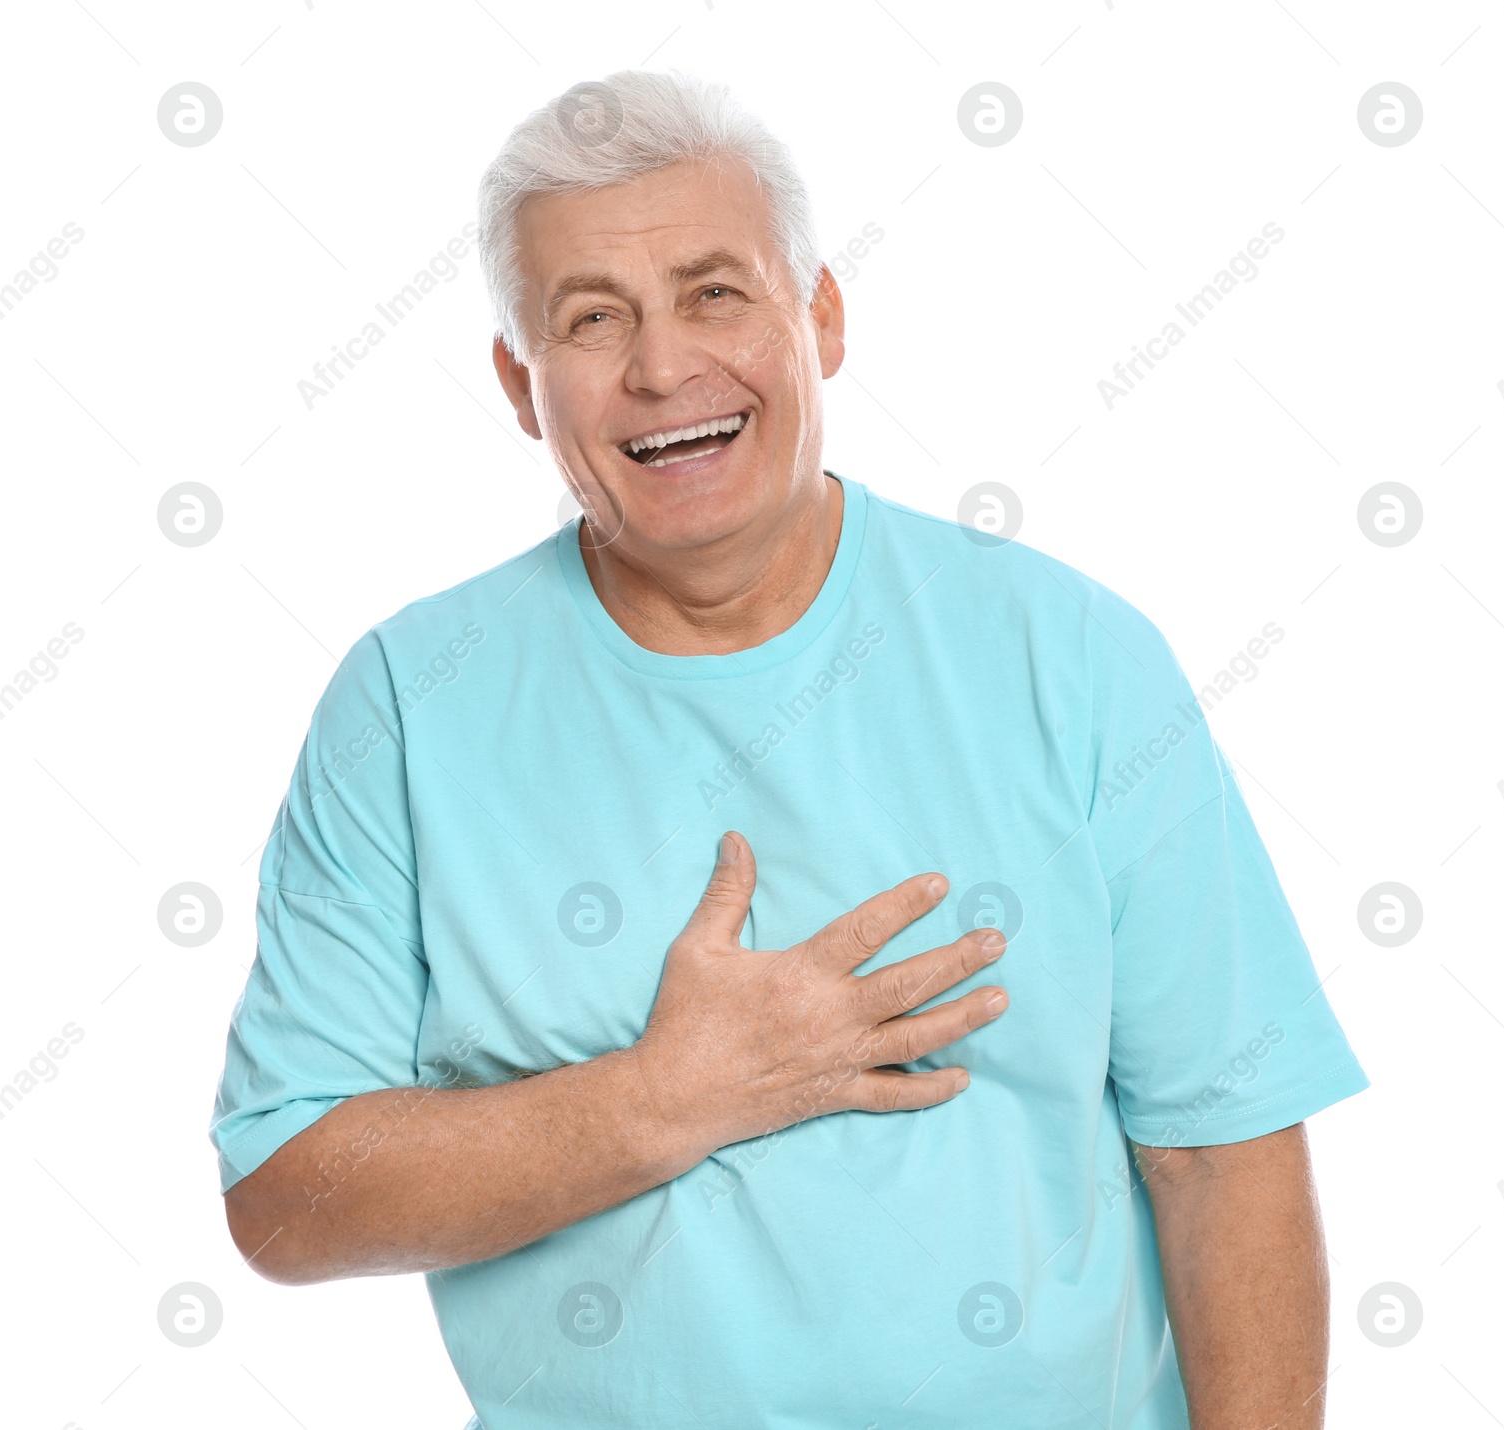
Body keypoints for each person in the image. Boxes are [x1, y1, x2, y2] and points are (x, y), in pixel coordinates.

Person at [211, 68, 1369, 1430]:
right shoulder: (409, 703)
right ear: (522, 386)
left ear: (819, 317)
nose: (660, 366)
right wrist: (660, 1098)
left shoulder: (1075, 657)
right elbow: (288, 1192)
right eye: (592, 319)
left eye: (716, 291)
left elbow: (1223, 1157)